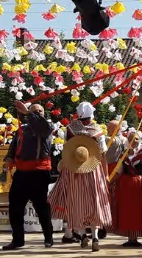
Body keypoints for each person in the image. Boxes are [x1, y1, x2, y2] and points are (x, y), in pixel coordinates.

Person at [48, 102, 112, 252]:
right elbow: (102, 156)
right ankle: (95, 236)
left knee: (76, 202)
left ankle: (83, 234)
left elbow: (66, 152)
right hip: (93, 170)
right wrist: (106, 174)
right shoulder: (97, 131)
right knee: (95, 203)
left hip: (74, 170)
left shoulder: (70, 129)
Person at [2, 101, 56, 250]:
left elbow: (41, 126)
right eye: (34, 111)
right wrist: (9, 158)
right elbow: (14, 146)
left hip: (39, 171)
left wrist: (28, 112)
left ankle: (48, 237)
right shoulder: (22, 129)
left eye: (40, 111)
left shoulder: (47, 126)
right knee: (15, 206)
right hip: (22, 172)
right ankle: (18, 240)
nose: (37, 113)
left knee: (41, 207)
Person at [110, 130, 142, 247]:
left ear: (140, 140)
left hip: (141, 189)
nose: (133, 142)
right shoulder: (123, 155)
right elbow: (119, 172)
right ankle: (130, 238)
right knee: (128, 212)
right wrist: (109, 182)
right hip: (126, 190)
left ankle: (136, 237)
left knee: (140, 211)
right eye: (130, 139)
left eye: (136, 139)